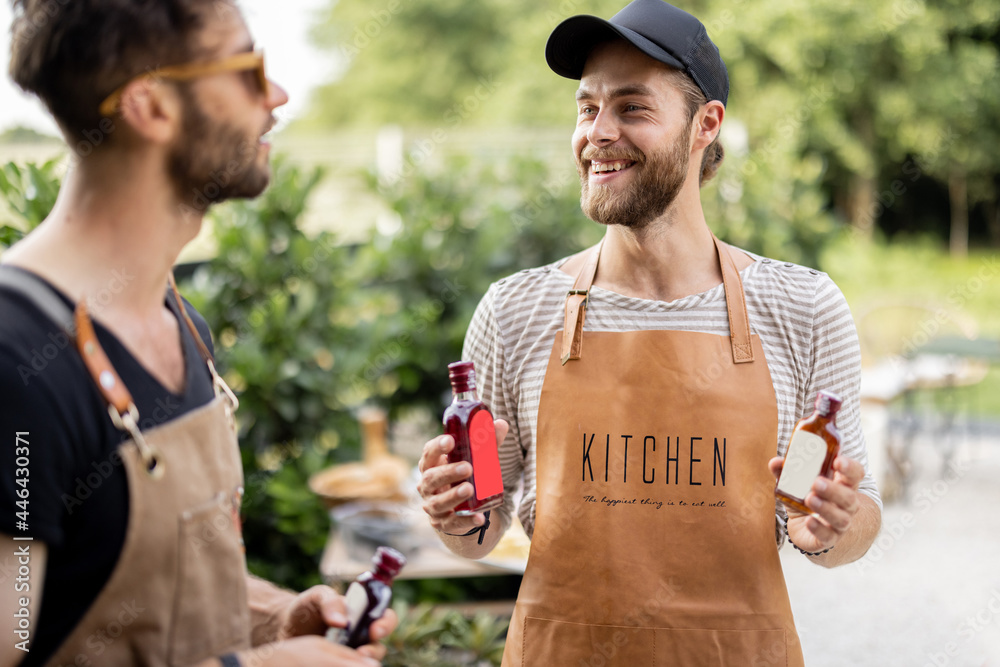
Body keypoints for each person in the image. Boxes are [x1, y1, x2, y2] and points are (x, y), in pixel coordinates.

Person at [417, 0, 882, 664]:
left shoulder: (799, 309)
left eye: (632, 108)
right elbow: (480, 527)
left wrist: (826, 524)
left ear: (705, 125)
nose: (597, 133)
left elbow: (838, 514)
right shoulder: (517, 312)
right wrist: (454, 514)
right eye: (586, 108)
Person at [0, 1, 394, 665]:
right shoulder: (17, 363)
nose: (278, 95)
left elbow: (144, 574)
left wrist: (272, 619)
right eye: (249, 70)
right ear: (151, 106)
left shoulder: (180, 323)